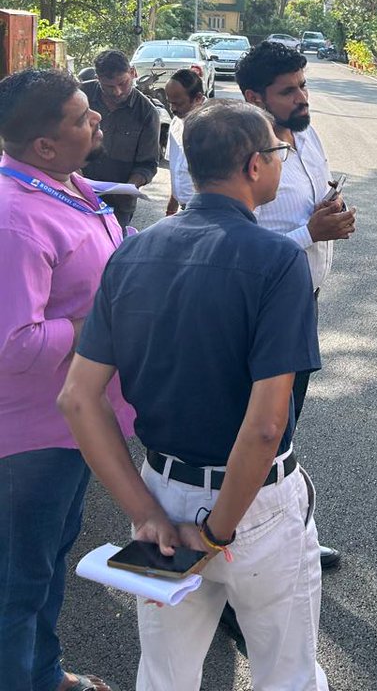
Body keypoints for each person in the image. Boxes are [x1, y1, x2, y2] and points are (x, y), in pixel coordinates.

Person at [58, 101, 328, 691]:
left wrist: (144, 511)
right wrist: (217, 533)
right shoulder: (279, 261)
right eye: (278, 153)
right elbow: (263, 427)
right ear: (255, 166)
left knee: (165, 675)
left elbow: (79, 398)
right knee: (287, 674)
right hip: (254, 505)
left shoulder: (131, 251)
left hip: (162, 494)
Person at [0, 68, 134, 691]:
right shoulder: (15, 221)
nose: (98, 119)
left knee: (49, 564)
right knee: (17, 583)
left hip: (76, 421)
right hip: (30, 435)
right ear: (44, 146)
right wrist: (91, 324)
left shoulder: (67, 187)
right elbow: (14, 343)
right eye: (82, 118)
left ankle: (43, 674)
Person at [236, 40, 355, 570]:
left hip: (303, 298)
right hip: (256, 309)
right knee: (258, 426)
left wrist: (331, 210)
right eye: (289, 91)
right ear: (253, 96)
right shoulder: (240, 153)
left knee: (285, 426)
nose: (302, 98)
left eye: (304, 85)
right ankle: (241, 548)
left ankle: (281, 534)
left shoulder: (306, 137)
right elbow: (236, 245)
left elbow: (312, 200)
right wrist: (309, 231)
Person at [80, 48, 159, 231]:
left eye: (123, 83)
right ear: (98, 79)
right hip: (75, 194)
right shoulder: (80, 96)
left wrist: (130, 186)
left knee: (112, 253)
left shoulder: (146, 113)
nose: (117, 92)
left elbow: (147, 164)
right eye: (109, 86)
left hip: (119, 206)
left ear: (132, 73)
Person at [163, 69, 205, 215]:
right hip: (183, 209)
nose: (173, 109)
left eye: (178, 103)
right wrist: (172, 206)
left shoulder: (214, 127)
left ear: (198, 98)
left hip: (205, 211)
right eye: (170, 103)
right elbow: (176, 170)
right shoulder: (176, 122)